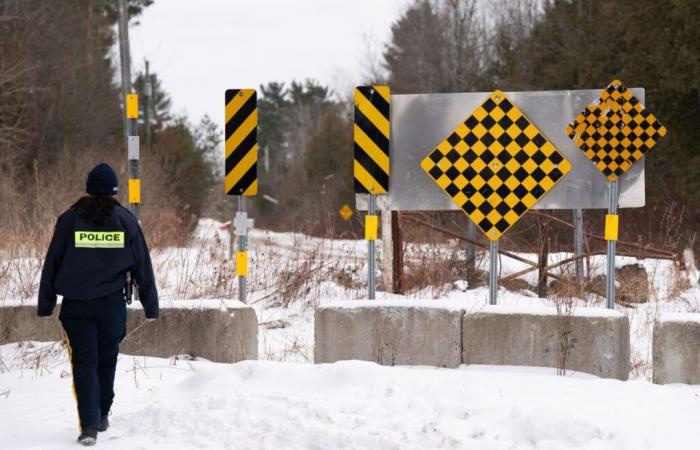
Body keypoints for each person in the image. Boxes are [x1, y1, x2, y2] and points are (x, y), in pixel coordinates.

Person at [37, 162, 159, 446]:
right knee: (106, 360)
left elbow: (52, 263)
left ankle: (89, 425)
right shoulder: (126, 221)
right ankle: (102, 414)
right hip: (111, 306)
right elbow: (143, 265)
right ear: (115, 190)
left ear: (89, 188)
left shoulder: (69, 220)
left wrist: (46, 303)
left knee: (84, 363)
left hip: (76, 306)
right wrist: (150, 305)